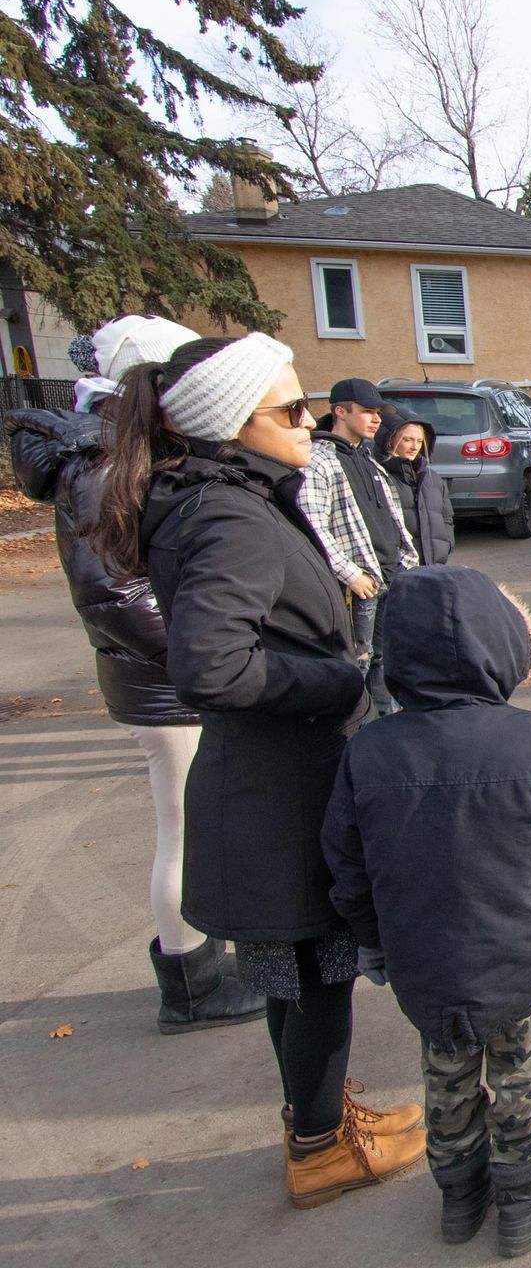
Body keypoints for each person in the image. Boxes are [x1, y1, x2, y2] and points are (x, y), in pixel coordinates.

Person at [91, 333, 425, 1207]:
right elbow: (210, 668)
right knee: (314, 976)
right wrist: (338, 679)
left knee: (296, 972)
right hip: (280, 789)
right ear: (231, 421)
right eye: (291, 409)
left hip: (276, 778)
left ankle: (318, 1117)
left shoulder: (232, 496)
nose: (309, 421)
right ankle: (318, 1148)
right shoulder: (228, 516)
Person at [323, 564, 531, 1254]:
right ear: (505, 646)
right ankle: (525, 1198)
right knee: (519, 1080)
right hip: (519, 956)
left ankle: (460, 1195)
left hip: (422, 958)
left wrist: (369, 940)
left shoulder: (369, 751)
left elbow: (347, 861)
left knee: (446, 1078)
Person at [5, 315, 266, 1034]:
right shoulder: (102, 460)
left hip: (166, 674)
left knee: (195, 822)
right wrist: (201, 654)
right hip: (164, 682)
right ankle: (190, 984)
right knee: (184, 827)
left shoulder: (117, 452)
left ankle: (200, 961)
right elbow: (112, 590)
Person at [301, 378, 417, 716]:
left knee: (386, 660)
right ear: (340, 411)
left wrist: (406, 562)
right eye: (367, 411)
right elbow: (312, 526)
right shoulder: (319, 461)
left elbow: (392, 520)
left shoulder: (368, 459)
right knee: (357, 663)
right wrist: (351, 574)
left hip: (390, 576)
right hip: (359, 586)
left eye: (378, 412)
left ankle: (383, 725)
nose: (376, 419)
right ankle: (352, 730)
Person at [374, 409, 454, 566]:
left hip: (435, 565)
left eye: (419, 441)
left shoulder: (433, 478)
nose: (414, 446)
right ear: (390, 440)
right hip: (399, 567)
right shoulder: (378, 477)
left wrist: (446, 545)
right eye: (407, 440)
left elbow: (446, 517)